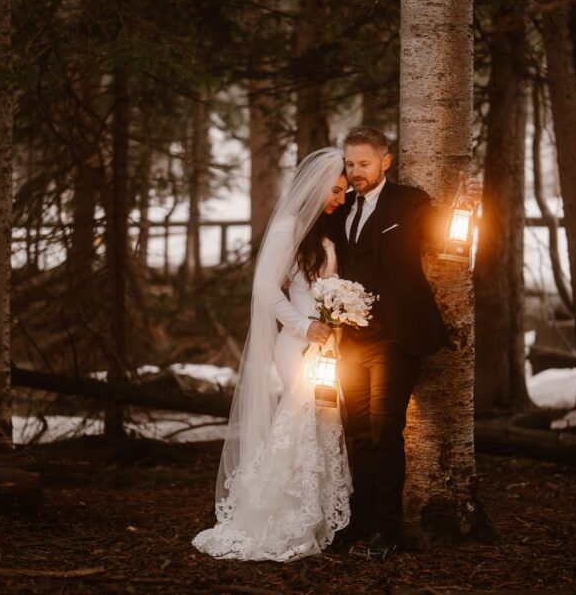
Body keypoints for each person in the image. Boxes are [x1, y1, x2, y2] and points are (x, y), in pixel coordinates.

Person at [193, 146, 353, 562]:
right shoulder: (287, 228)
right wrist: (304, 326)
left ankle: (311, 518)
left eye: (344, 191)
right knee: (298, 428)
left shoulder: (323, 233)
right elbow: (264, 290)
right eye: (335, 190)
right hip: (297, 343)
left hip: (325, 344)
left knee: (318, 428)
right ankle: (277, 520)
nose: (340, 198)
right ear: (316, 188)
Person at [329, 126, 482, 558]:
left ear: (385, 162)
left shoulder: (409, 202)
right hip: (351, 341)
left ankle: (387, 529)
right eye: (350, 164)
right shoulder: (341, 210)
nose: (356, 172)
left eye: (364, 163)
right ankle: (357, 523)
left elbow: (443, 240)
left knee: (384, 431)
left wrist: (465, 206)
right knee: (355, 432)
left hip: (395, 339)